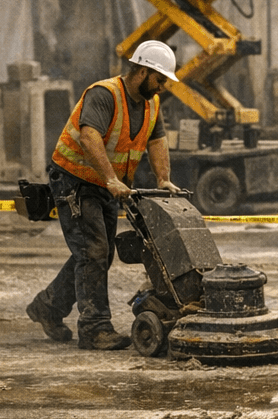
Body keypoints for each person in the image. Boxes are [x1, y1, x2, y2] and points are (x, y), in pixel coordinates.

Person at [26, 41, 185, 350]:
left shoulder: (151, 105)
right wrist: (111, 178)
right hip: (75, 179)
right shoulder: (105, 94)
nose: (163, 87)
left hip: (106, 185)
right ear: (142, 71)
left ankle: (48, 306)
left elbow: (157, 141)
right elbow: (89, 136)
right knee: (95, 251)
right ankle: (95, 328)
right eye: (160, 79)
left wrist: (163, 180)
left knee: (97, 252)